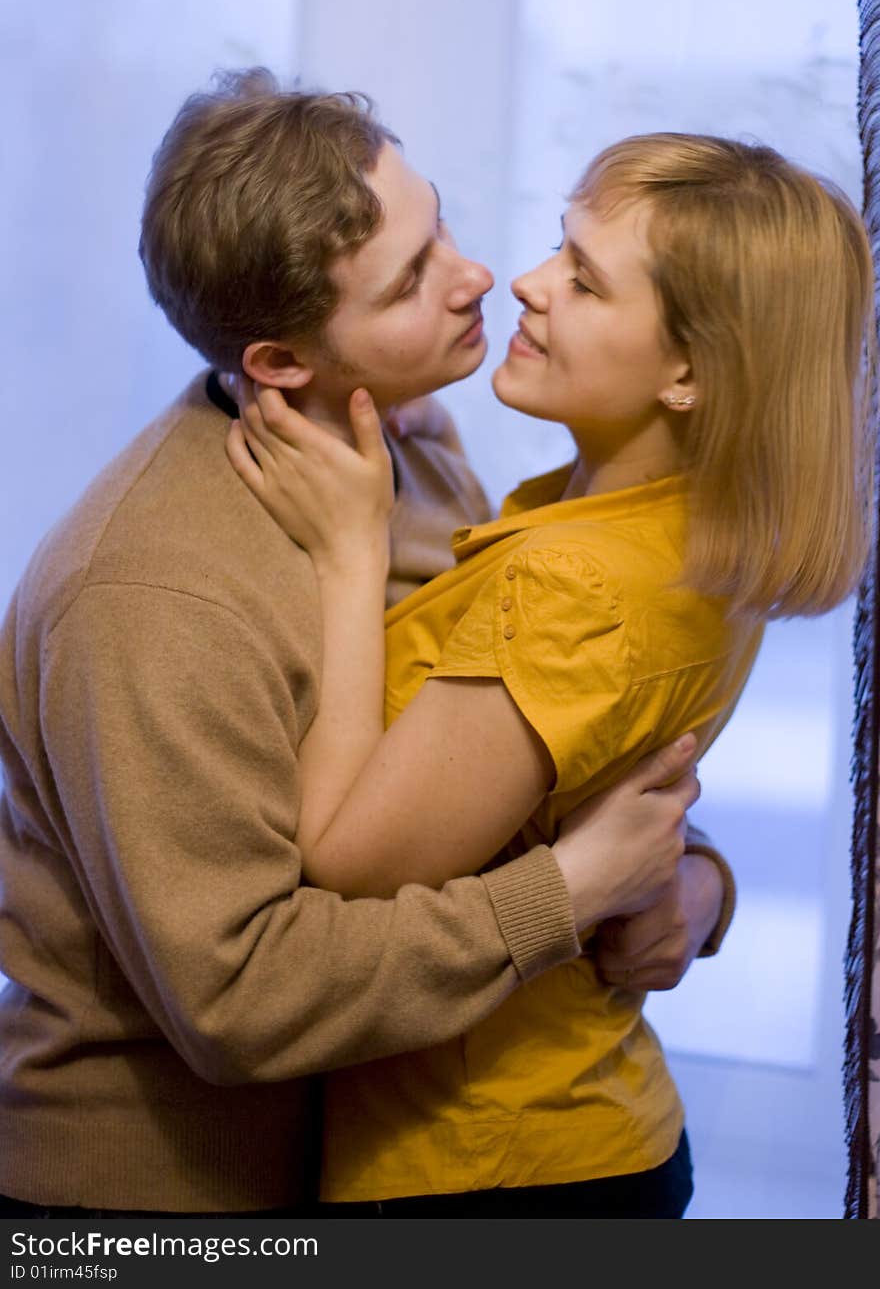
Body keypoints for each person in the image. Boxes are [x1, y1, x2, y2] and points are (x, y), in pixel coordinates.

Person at [0, 72, 726, 1218]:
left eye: (436, 226)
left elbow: (502, 748)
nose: (477, 276)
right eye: (409, 282)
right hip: (157, 1208)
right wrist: (570, 891)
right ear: (281, 363)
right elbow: (240, 994)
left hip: (371, 1169)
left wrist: (686, 875)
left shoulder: (416, 455)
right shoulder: (147, 588)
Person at [228, 128, 875, 1217]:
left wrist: (353, 555)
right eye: (555, 249)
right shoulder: (661, 523)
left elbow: (346, 870)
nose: (525, 284)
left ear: (690, 374)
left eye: (583, 279)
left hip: (491, 1165)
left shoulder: (577, 581)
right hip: (573, 1128)